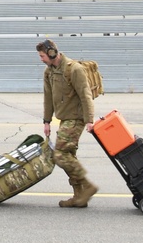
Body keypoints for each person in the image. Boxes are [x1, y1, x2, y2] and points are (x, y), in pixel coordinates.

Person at [37, 38, 98, 207]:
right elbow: (48, 97)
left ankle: (87, 185)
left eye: (42, 56)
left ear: (52, 53)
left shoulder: (74, 69)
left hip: (76, 119)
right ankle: (79, 197)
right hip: (64, 119)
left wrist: (89, 120)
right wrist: (47, 121)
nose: (41, 59)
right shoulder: (49, 72)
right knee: (69, 156)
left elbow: (86, 95)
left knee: (60, 155)